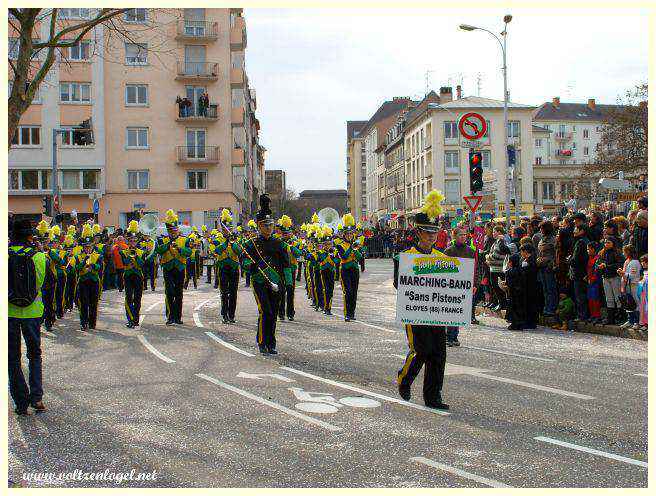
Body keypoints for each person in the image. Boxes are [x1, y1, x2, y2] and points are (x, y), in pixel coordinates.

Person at [394, 190, 449, 410]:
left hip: (436, 312)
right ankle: (404, 379)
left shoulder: (443, 259)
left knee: (438, 354)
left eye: (434, 232)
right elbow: (400, 285)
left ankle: (433, 396)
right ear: (418, 232)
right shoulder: (405, 256)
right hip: (414, 310)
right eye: (427, 232)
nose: (431, 237)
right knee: (421, 349)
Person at [242, 194, 292, 355]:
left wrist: (289, 284)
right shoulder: (251, 244)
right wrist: (251, 267)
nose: (269, 227)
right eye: (265, 225)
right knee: (265, 311)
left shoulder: (278, 243)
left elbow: (286, 264)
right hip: (259, 281)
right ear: (259, 226)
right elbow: (244, 261)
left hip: (276, 282)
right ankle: (262, 342)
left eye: (270, 224)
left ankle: (271, 343)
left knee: (274, 312)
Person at [9, 219, 49, 415]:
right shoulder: (39, 256)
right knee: (34, 355)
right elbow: (41, 283)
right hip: (33, 313)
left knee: (12, 359)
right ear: (30, 237)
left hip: (9, 313)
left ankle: (21, 402)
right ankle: (37, 398)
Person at [155, 210, 191, 325]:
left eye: (175, 230)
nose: (173, 232)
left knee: (179, 293)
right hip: (168, 268)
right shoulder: (163, 239)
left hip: (180, 268)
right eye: (171, 231)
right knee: (169, 292)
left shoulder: (185, 239)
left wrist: (180, 249)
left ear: (177, 230)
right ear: (168, 231)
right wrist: (168, 243)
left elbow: (189, 252)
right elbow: (159, 250)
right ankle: (170, 316)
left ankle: (178, 317)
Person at [444, 227, 475, 345]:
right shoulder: (448, 251)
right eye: (461, 235)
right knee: (451, 311)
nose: (463, 237)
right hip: (451, 285)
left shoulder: (470, 251)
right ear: (454, 236)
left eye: (465, 235)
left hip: (465, 286)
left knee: (459, 311)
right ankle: (449, 336)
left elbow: (475, 269)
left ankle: (454, 336)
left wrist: (475, 283)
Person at [121, 221, 151, 328]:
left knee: (138, 299)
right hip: (128, 276)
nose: (133, 242)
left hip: (138, 276)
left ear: (137, 241)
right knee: (129, 297)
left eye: (134, 240)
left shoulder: (141, 252)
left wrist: (136, 256)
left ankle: (136, 319)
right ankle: (130, 319)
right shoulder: (123, 252)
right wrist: (130, 255)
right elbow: (124, 263)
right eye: (131, 241)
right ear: (128, 242)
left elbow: (142, 264)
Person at [334, 213, 363, 322]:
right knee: (348, 291)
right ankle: (347, 313)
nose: (350, 235)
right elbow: (344, 256)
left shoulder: (356, 244)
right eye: (348, 234)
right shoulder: (340, 245)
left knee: (354, 292)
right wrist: (351, 247)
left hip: (354, 270)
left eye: (351, 233)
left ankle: (352, 313)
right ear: (344, 235)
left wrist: (356, 249)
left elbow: (360, 258)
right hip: (345, 270)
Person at [75, 225, 103, 330]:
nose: (88, 248)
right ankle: (83, 323)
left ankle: (92, 323)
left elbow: (99, 267)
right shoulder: (78, 256)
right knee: (83, 303)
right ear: (83, 246)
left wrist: (92, 265)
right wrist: (84, 260)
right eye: (86, 246)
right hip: (83, 281)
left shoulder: (98, 255)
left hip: (94, 281)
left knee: (93, 303)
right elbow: (77, 268)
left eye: (89, 246)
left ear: (92, 246)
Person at [595, 237, 624, 325]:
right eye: (605, 242)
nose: (606, 244)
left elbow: (620, 264)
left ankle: (620, 317)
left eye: (608, 242)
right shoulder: (602, 253)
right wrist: (599, 267)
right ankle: (610, 318)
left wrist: (607, 266)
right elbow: (597, 263)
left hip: (615, 277)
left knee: (618, 297)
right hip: (606, 277)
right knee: (609, 298)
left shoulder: (617, 253)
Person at [568, 224, 590, 322]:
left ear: (582, 231)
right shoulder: (586, 241)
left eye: (576, 229)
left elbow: (576, 259)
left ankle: (582, 316)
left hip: (579, 272)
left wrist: (569, 260)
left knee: (579, 296)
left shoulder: (580, 242)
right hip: (583, 272)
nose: (574, 231)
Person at [536, 221, 558, 317]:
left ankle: (551, 308)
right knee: (545, 289)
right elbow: (539, 252)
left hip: (549, 267)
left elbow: (555, 253)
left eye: (542, 228)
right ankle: (547, 307)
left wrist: (551, 263)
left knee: (551, 288)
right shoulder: (541, 239)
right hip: (541, 266)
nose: (540, 230)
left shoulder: (553, 239)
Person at [618, 244, 641, 330]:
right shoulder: (627, 261)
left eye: (624, 251)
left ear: (628, 252)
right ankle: (630, 320)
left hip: (633, 285)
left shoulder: (635, 262)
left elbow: (633, 275)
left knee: (635, 303)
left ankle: (637, 321)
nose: (623, 253)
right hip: (627, 284)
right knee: (628, 303)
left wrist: (623, 273)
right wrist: (622, 273)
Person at [520, 243, 539, 329]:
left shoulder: (531, 260)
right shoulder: (526, 260)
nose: (521, 253)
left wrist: (523, 269)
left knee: (530, 304)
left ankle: (530, 322)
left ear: (526, 252)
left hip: (531, 285)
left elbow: (530, 272)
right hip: (526, 285)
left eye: (522, 251)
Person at [586, 242, 603, 324]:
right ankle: (592, 315)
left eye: (588, 249)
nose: (587, 251)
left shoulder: (597, 258)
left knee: (595, 299)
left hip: (595, 282)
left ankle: (597, 316)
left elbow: (597, 271)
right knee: (590, 299)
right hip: (590, 281)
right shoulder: (590, 258)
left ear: (593, 249)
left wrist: (592, 279)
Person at [636, 254, 648, 333]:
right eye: (642, 262)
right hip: (644, 293)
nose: (642, 264)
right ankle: (645, 323)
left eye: (645, 262)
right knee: (643, 308)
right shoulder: (644, 272)